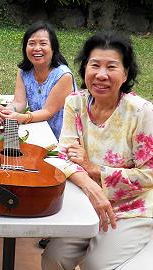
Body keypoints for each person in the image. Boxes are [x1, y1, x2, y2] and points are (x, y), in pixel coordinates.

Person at [41, 31, 153, 270]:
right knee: (54, 258)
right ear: (84, 69)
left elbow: (149, 175)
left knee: (96, 265)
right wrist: (90, 185)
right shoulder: (76, 102)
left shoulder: (141, 112)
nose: (101, 75)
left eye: (111, 67)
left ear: (125, 74)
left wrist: (92, 168)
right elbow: (61, 156)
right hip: (87, 199)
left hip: (131, 205)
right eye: (95, 65)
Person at [0, 21, 76, 139]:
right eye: (32, 43)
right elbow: (19, 102)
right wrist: (6, 111)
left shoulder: (63, 76)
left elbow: (48, 112)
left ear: (53, 48)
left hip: (63, 137)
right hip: (39, 131)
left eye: (43, 43)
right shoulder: (24, 71)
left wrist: (22, 117)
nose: (37, 48)